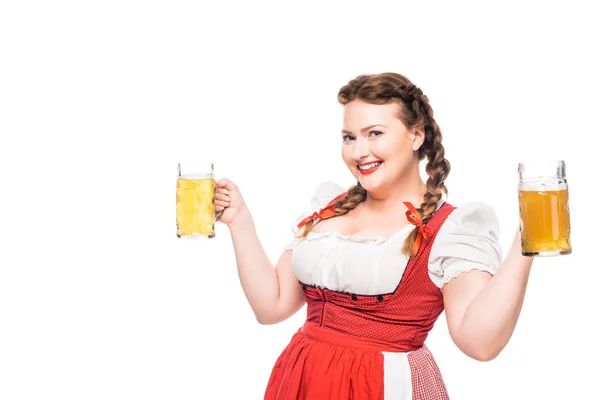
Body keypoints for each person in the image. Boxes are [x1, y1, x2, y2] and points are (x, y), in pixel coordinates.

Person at [213, 72, 535, 399]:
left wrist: (527, 242)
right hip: (302, 381)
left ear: (415, 136)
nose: (358, 152)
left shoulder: (450, 229)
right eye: (349, 137)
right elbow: (272, 307)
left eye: (375, 133)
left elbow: (479, 343)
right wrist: (240, 222)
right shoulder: (329, 208)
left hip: (382, 387)